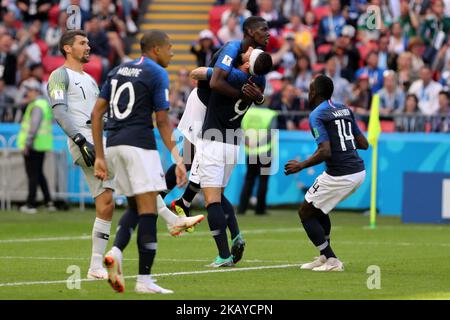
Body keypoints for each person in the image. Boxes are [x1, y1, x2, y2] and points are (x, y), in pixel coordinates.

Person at [91, 30, 203, 294]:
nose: (173, 52)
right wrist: (177, 158)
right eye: (170, 47)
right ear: (155, 50)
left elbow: (97, 112)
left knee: (136, 206)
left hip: (115, 144)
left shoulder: (118, 70)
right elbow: (162, 121)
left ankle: (116, 252)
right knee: (148, 212)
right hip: (139, 146)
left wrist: (99, 155)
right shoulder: (155, 73)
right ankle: (144, 280)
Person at [47, 30, 113, 280]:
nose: (88, 46)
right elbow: (60, 112)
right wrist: (79, 140)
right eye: (82, 43)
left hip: (98, 138)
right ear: (67, 48)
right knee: (128, 183)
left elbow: (98, 115)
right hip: (84, 141)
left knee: (106, 203)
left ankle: (96, 267)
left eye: (88, 42)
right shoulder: (59, 75)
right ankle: (172, 217)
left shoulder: (90, 79)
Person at [284, 75, 368, 272]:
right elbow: (364, 144)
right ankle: (324, 256)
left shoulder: (317, 115)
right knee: (318, 209)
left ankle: (332, 260)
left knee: (305, 212)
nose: (308, 92)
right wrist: (342, 142)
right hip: (358, 171)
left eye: (310, 88)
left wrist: (301, 165)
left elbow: (325, 151)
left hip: (341, 174)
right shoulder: (344, 108)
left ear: (313, 92)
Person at [17, 78, 55, 214]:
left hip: (34, 145)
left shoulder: (37, 106)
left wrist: (27, 143)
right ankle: (48, 201)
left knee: (32, 174)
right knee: (38, 174)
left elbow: (33, 127)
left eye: (28, 91)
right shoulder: (42, 104)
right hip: (40, 144)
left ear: (34, 91)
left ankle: (31, 203)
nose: (27, 94)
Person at [238, 105, 277, 215]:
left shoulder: (246, 112)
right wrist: (259, 144)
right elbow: (271, 134)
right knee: (263, 181)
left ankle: (242, 208)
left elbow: (240, 129)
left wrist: (248, 143)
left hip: (250, 152)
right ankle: (260, 210)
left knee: (249, 180)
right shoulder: (270, 114)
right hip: (265, 152)